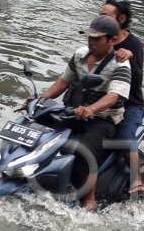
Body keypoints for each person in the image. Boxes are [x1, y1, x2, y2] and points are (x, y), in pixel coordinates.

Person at [37, 15, 132, 210]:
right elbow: (63, 81)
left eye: (97, 39)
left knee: (84, 151)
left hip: (103, 119)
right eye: (90, 38)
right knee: (39, 134)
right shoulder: (80, 54)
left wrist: (91, 109)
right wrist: (40, 100)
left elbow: (114, 96)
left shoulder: (120, 64)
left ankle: (90, 200)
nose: (92, 42)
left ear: (112, 40)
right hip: (73, 112)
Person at [100, 0, 144, 199]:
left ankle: (136, 179)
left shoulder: (133, 44)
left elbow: (137, 79)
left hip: (129, 103)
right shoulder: (100, 38)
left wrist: (130, 57)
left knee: (124, 139)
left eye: (105, 15)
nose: (100, 18)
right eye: (100, 14)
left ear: (121, 19)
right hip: (102, 97)